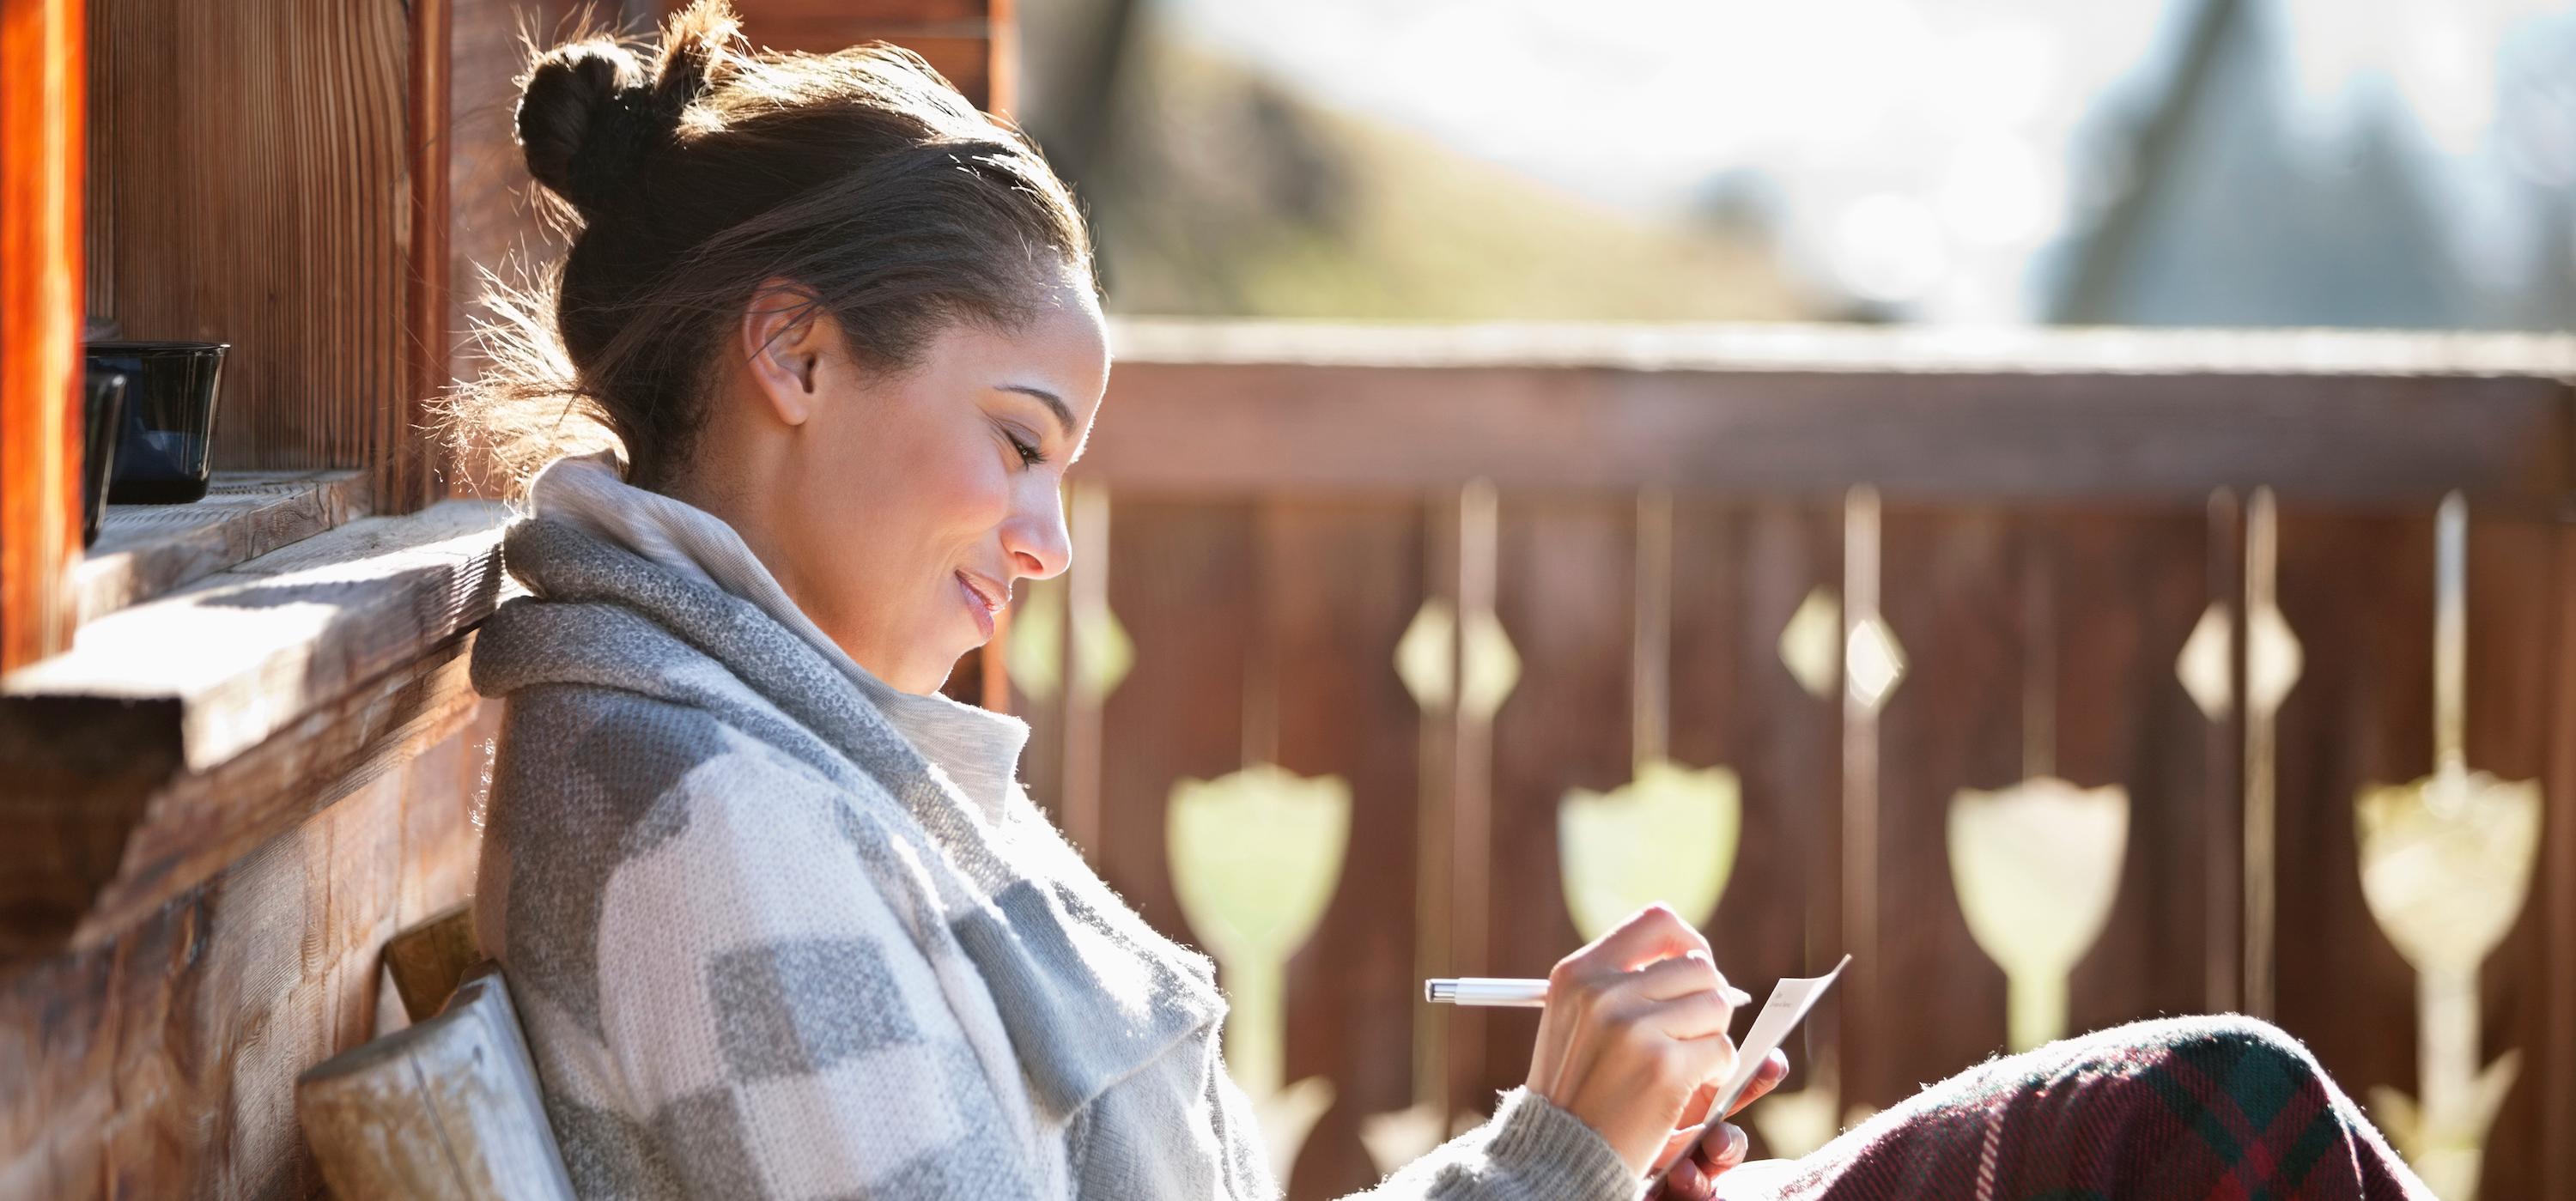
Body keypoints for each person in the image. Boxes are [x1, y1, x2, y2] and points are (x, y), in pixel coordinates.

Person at [453, 6, 2435, 1199]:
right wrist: (1551, 1157)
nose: (1048, 540)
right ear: (794, 358)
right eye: (1022, 434)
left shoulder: (790, 748)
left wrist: (1579, 1139)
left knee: (2209, 1129)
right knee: (2206, 1135)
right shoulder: (710, 823)